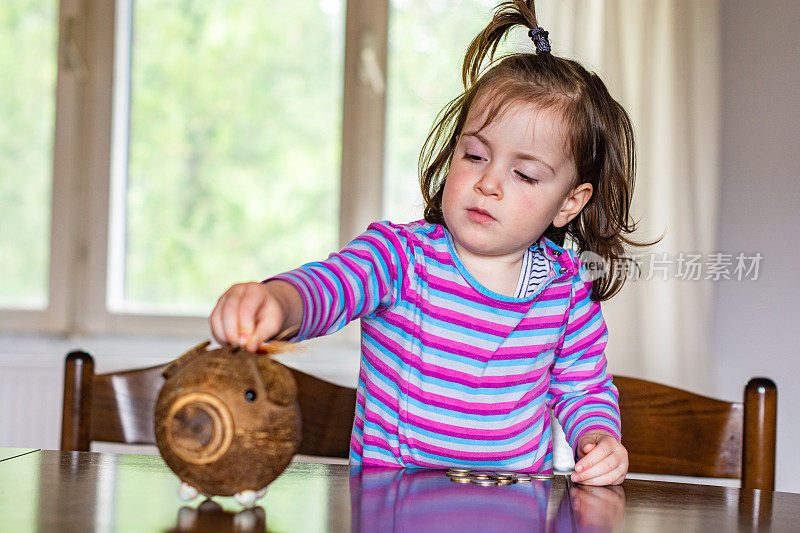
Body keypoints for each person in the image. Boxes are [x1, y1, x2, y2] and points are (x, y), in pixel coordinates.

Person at [211, 0, 650, 486]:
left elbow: (584, 389)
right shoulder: (400, 259)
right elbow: (327, 290)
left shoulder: (567, 293)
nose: (489, 183)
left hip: (511, 514)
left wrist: (599, 437)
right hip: (392, 509)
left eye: (524, 174)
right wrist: (276, 301)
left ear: (569, 203)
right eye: (475, 154)